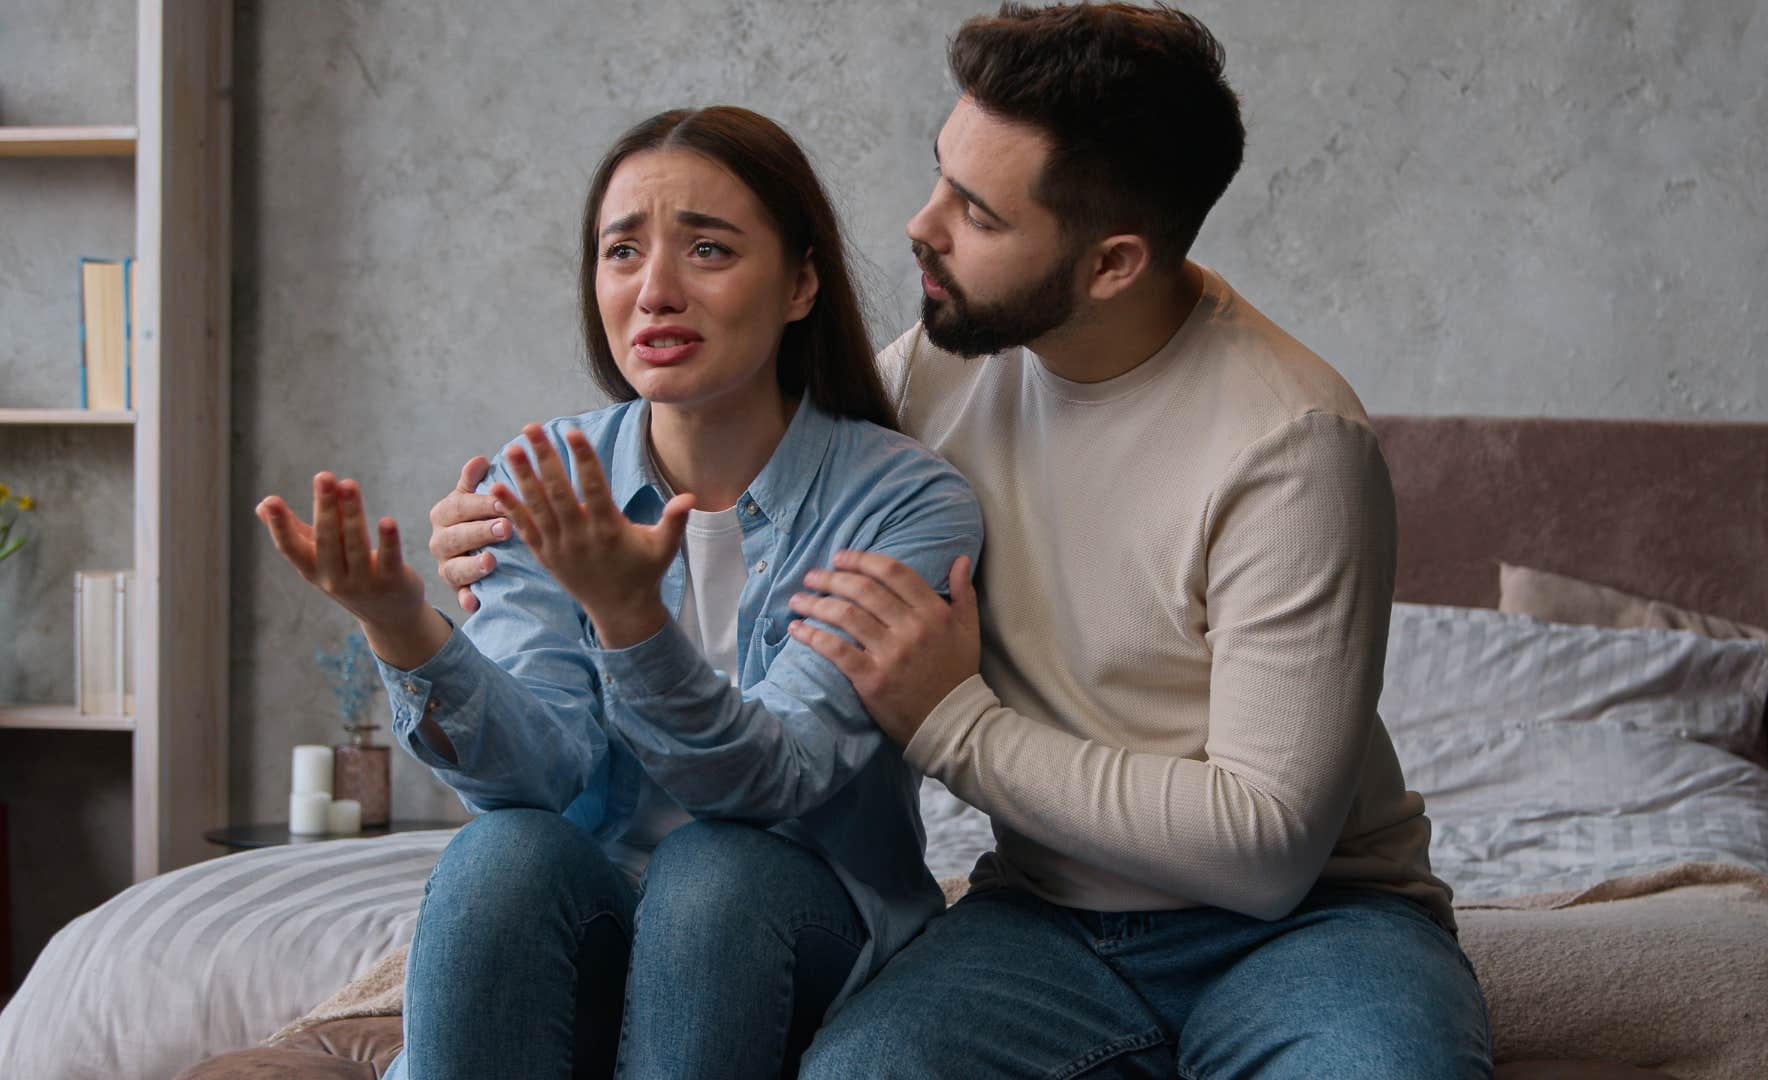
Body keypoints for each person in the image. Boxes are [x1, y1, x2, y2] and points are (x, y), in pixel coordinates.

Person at [432, 5, 1491, 1077]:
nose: (918, 226)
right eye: (940, 174)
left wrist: (953, 723)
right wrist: (496, 528)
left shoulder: (1291, 444)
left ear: (1111, 263)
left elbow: (1265, 850)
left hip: (1315, 925)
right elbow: (730, 424)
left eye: (976, 213)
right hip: (1041, 921)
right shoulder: (937, 371)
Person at [255, 105, 981, 1080]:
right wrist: (404, 628)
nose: (654, 291)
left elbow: (775, 782)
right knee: (499, 856)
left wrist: (631, 619)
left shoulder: (902, 504)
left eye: (709, 250)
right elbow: (534, 778)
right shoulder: (548, 472)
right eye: (621, 251)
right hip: (597, 919)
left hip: (795, 924)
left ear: (802, 282)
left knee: (713, 872)